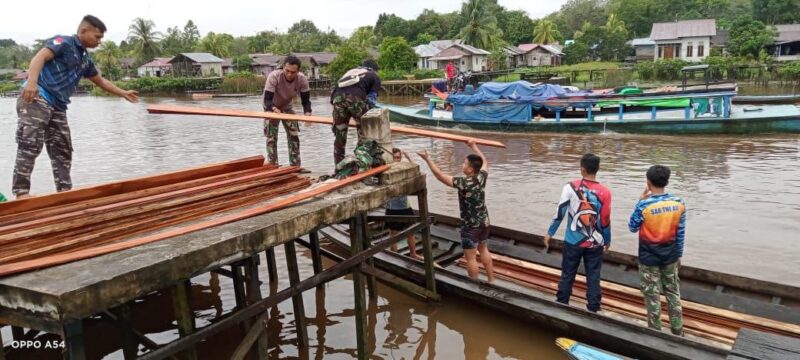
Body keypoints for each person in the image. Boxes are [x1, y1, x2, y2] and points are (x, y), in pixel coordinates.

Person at [13, 15, 139, 199]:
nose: (99, 41)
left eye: (101, 38)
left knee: (63, 149)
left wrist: (123, 93)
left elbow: (100, 80)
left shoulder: (84, 59)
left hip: (58, 106)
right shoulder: (63, 42)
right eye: (97, 37)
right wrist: (32, 83)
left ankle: (65, 192)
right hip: (37, 97)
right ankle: (21, 193)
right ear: (83, 31)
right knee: (30, 144)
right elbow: (39, 57)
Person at [417, 140, 494, 283]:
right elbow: (485, 161)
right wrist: (474, 146)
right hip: (484, 222)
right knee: (483, 250)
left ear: (471, 169)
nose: (462, 165)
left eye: (464, 164)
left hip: (470, 225)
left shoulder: (463, 182)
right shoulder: (481, 177)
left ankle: (474, 286)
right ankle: (491, 280)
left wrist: (427, 159)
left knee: (470, 258)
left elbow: (440, 176)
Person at [544, 154, 611, 313]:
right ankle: (594, 308)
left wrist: (550, 233)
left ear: (582, 169)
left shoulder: (570, 187)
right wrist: (607, 240)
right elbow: (605, 219)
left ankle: (562, 303)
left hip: (573, 241)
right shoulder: (605, 192)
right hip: (595, 243)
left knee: (568, 273)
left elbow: (560, 212)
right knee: (593, 276)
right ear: (597, 169)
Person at [628, 165, 686, 336]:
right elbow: (681, 232)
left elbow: (632, 227)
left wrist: (639, 201)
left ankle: (655, 333)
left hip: (649, 257)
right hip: (671, 255)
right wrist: (679, 254)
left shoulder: (644, 205)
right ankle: (678, 330)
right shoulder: (678, 203)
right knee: (673, 292)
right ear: (666, 182)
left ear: (648, 182)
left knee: (652, 295)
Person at [330, 59, 381, 168]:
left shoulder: (350, 72)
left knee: (340, 136)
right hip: (356, 98)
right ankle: (360, 165)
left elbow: (334, 94)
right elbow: (372, 100)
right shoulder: (374, 75)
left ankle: (338, 167)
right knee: (364, 134)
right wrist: (366, 114)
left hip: (337, 99)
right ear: (375, 69)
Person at [263, 55, 312, 167]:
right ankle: (273, 165)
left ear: (298, 71)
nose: (289, 74)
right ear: (283, 68)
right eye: (287, 71)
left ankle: (295, 166)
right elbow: (267, 100)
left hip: (287, 107)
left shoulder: (302, 79)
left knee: (293, 135)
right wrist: (275, 110)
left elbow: (306, 101)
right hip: (271, 107)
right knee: (271, 137)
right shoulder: (274, 76)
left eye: (293, 72)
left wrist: (308, 114)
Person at [385, 148, 420, 258]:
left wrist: (408, 157)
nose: (396, 160)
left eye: (398, 157)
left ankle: (413, 254)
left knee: (411, 232)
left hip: (405, 206)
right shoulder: (387, 170)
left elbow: (415, 169)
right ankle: (394, 255)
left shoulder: (403, 169)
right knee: (393, 233)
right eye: (394, 157)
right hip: (391, 207)